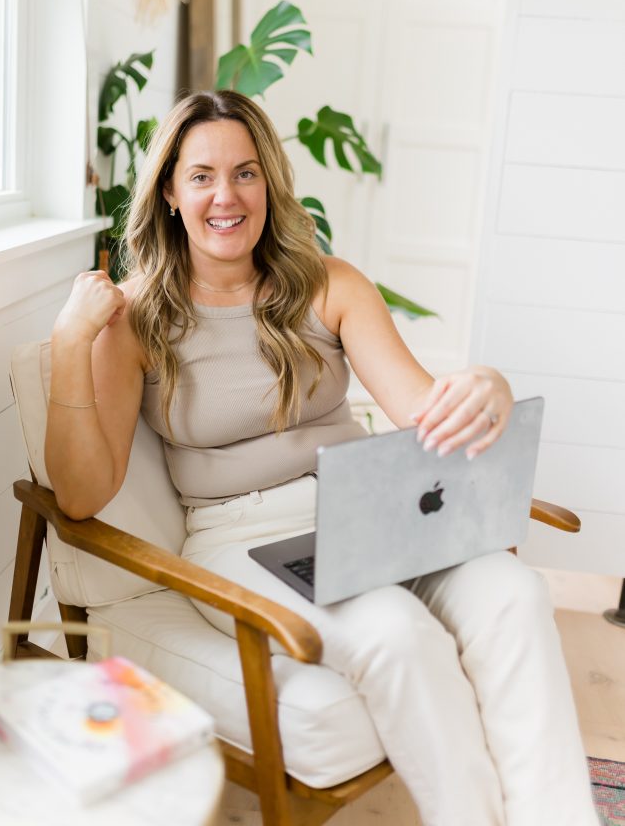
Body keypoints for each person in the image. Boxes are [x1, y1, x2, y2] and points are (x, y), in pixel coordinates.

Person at [45, 90, 599, 826]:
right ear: (171, 194)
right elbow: (80, 495)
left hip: (371, 507)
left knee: (514, 593)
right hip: (242, 539)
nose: (226, 195)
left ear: (269, 185)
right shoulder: (134, 318)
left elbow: (423, 410)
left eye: (245, 173)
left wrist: (486, 388)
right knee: (397, 635)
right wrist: (66, 347)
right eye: (202, 175)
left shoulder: (329, 284)